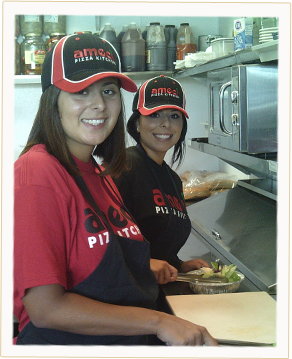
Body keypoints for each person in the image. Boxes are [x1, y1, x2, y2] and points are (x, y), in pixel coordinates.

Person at [13, 34, 217, 346]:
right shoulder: (36, 173)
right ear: (52, 99)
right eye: (80, 91)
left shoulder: (98, 172)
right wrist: (160, 322)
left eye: (108, 91)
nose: (98, 104)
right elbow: (46, 309)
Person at [114, 75, 210, 275]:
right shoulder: (123, 168)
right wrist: (144, 262)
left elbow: (160, 246)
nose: (166, 124)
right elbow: (104, 241)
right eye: (155, 115)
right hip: (127, 291)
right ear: (137, 123)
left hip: (155, 287)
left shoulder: (173, 180)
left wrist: (179, 265)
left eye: (174, 116)